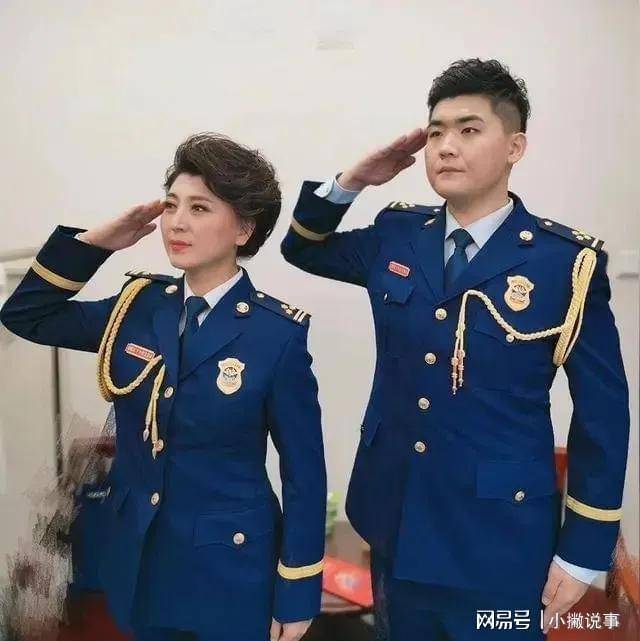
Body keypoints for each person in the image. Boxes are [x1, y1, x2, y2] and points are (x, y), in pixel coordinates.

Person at [280, 59, 630, 640]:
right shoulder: (398, 235)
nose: (445, 146)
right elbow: (303, 248)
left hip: (500, 540)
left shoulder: (564, 264)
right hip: (395, 518)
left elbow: (603, 414)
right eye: (436, 132)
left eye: (469, 130)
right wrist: (354, 181)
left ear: (515, 146)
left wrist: (583, 550)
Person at [0, 133, 326, 641]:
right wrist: (96, 244)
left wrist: (298, 592)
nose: (177, 222)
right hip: (142, 562)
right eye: (171, 205)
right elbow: (26, 315)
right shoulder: (136, 308)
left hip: (230, 571)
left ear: (244, 228)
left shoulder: (276, 335)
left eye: (199, 208)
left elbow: (304, 473)